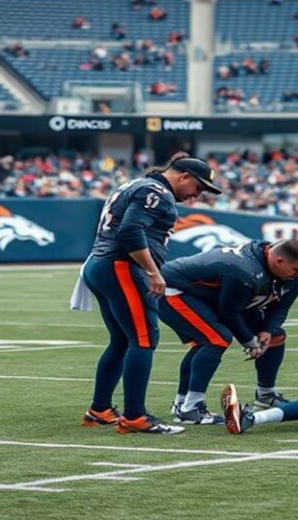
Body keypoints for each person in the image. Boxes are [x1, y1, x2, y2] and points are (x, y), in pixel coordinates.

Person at [78, 153, 223, 434]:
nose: (197, 195)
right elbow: (131, 231)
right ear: (183, 176)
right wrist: (153, 272)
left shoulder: (138, 185)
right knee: (144, 339)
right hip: (121, 265)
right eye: (199, 187)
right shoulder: (156, 191)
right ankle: (134, 416)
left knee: (122, 340)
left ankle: (100, 410)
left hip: (102, 264)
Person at [158, 239, 298, 424]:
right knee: (216, 339)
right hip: (177, 289)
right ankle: (189, 407)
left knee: (276, 336)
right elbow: (228, 312)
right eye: (296, 270)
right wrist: (249, 341)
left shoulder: (290, 274)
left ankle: (265, 395)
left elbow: (280, 307)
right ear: (279, 261)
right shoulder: (245, 270)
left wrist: (267, 331)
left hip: (217, 295)